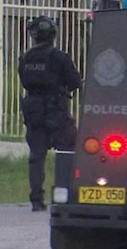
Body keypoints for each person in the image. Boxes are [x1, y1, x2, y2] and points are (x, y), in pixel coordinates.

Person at [18, 15, 82, 211]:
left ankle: (36, 199)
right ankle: (64, 194)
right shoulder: (59, 57)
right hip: (57, 111)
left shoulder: (26, 58)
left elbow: (24, 80)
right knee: (67, 152)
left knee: (36, 156)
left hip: (34, 110)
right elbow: (75, 82)